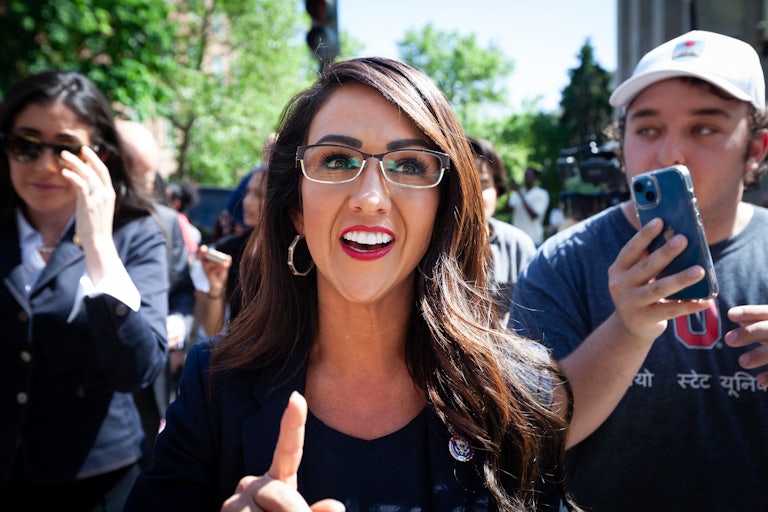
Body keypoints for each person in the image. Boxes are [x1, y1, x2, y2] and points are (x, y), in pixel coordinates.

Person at [125, 57, 581, 512]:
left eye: (408, 165)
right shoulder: (214, 384)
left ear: (442, 209)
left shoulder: (520, 393)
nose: (369, 198)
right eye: (338, 160)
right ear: (296, 209)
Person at [509, 30, 768, 510]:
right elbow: (527, 438)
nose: (670, 154)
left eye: (704, 128)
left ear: (755, 148)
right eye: (647, 129)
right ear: (622, 143)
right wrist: (627, 330)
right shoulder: (563, 259)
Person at [0, 70, 168, 509]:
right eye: (26, 144)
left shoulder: (136, 234)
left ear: (100, 155)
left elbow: (137, 370)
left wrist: (98, 245)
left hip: (93, 480)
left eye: (67, 149)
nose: (44, 165)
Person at [116, 119, 196, 468]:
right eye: (133, 177)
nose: (138, 190)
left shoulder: (164, 222)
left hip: (149, 384)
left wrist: (179, 319)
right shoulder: (60, 215)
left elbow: (182, 287)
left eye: (147, 180)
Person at [468, 136, 536, 325]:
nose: (473, 195)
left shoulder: (518, 246)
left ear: (498, 189)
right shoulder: (428, 244)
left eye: (483, 184)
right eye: (464, 184)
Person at [194, 164, 267, 337]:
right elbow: (212, 331)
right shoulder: (229, 249)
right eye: (248, 192)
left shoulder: (297, 256)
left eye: (260, 195)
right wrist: (216, 287)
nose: (247, 201)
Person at [507, 165, 549, 245]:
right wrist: (509, 192)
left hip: (533, 239)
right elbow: (508, 210)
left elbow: (534, 215)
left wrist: (519, 193)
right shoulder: (518, 193)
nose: (526, 177)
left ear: (535, 178)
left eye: (529, 175)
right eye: (525, 175)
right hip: (517, 240)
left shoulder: (542, 194)